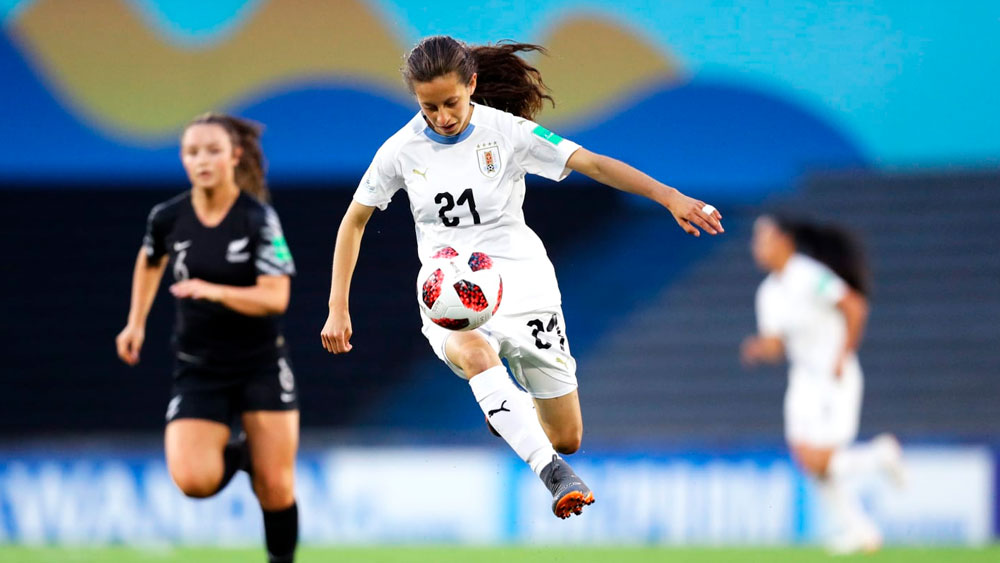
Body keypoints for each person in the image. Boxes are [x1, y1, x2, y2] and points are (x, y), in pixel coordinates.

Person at [320, 36, 724, 519]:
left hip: (524, 286)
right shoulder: (400, 151)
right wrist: (337, 307)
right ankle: (554, 475)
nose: (443, 116)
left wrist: (670, 197)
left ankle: (511, 414)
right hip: (447, 292)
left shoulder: (507, 132)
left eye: (451, 102)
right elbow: (354, 221)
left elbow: (591, 163)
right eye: (430, 107)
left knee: (566, 436)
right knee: (474, 353)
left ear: (472, 84)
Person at [115, 114, 299, 562]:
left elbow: (276, 298)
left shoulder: (258, 219)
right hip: (199, 368)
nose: (202, 160)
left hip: (260, 365)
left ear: (234, 155)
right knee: (194, 482)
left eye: (212, 150)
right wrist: (135, 321)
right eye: (192, 152)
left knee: (276, 486)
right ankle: (241, 455)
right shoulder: (167, 217)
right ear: (183, 158)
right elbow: (150, 258)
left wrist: (212, 290)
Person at [741, 214, 904, 553]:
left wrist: (842, 356)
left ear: (784, 241)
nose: (756, 247)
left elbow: (855, 308)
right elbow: (776, 346)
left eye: (763, 238)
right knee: (808, 461)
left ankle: (881, 455)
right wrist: (759, 348)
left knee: (821, 460)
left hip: (834, 376)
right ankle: (861, 532)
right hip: (803, 379)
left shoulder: (809, 276)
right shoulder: (768, 293)